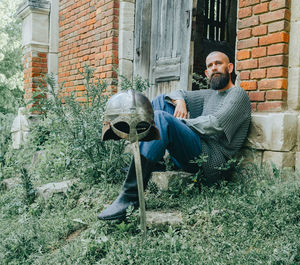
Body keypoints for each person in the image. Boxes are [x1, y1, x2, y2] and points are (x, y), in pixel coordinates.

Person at [98, 51, 251, 220]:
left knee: (162, 118)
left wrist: (176, 123)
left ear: (229, 68)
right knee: (159, 102)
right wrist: (180, 102)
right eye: (210, 66)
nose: (214, 68)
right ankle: (155, 162)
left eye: (218, 63)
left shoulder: (238, 94)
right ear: (206, 73)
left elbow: (214, 124)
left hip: (213, 160)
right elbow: (174, 95)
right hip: (196, 150)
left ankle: (130, 196)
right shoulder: (209, 94)